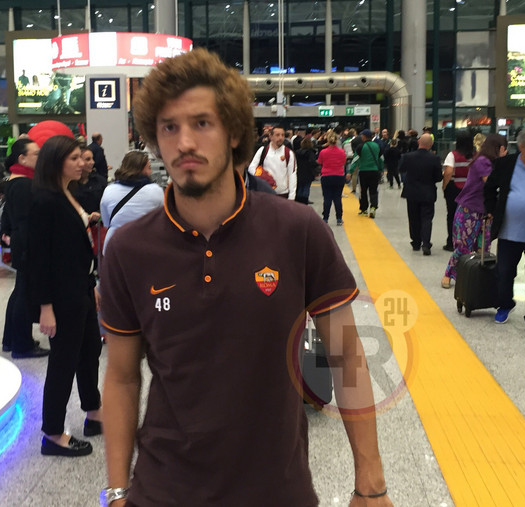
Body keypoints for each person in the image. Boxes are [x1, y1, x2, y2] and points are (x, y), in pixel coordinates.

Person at [98, 48, 391, 507]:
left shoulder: (297, 230)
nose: (184, 142)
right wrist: (117, 492)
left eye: (202, 123)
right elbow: (120, 378)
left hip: (278, 490)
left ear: (234, 132)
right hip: (163, 490)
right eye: (169, 127)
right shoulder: (129, 248)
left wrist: (370, 484)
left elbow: (346, 355)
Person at [27, 135, 103, 457]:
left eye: (81, 157)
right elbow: (37, 259)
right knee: (64, 361)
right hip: (61, 295)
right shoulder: (45, 201)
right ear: (56, 162)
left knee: (90, 351)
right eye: (74, 158)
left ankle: (94, 412)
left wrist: (91, 284)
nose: (82, 163)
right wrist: (46, 306)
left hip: (80, 286)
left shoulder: (67, 193)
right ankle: (53, 433)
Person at [0, 138, 50, 359]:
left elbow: (8, 213)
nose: (40, 157)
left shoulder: (15, 180)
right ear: (22, 158)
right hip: (27, 245)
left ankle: (11, 339)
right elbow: (26, 221)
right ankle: (22, 345)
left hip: (20, 242)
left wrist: (7, 233)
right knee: (24, 295)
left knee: (20, 291)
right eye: (36, 153)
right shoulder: (24, 185)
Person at [441, 133, 508, 289]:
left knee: (483, 248)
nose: (506, 152)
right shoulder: (483, 161)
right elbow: (491, 183)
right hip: (469, 210)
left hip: (486, 211)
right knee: (463, 246)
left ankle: (477, 278)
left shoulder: (492, 163)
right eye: (505, 149)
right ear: (499, 148)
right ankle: (448, 274)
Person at [484, 128, 525, 327]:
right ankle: (505, 305)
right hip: (509, 231)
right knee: (504, 272)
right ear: (522, 147)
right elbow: (489, 188)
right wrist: (490, 210)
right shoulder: (506, 164)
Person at [100, 150, 164, 254]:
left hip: (114, 246)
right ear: (140, 169)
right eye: (149, 168)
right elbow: (162, 221)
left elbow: (106, 223)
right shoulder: (155, 191)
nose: (151, 172)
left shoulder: (109, 190)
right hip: (146, 247)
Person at [400, 134, 443, 256]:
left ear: (419, 142)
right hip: (428, 192)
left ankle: (415, 242)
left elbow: (401, 169)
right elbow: (438, 177)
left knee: (413, 217)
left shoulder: (408, 156)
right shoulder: (435, 158)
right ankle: (426, 243)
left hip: (411, 192)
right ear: (431, 144)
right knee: (427, 218)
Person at [441, 131, 473, 252]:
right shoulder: (475, 155)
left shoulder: (453, 155)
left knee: (452, 215)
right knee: (469, 216)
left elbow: (448, 172)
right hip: (470, 189)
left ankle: (451, 242)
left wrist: (444, 186)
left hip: (454, 189)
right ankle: (468, 241)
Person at [247, 126, 297, 199]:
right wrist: (262, 175)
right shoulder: (263, 150)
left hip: (282, 194)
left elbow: (292, 175)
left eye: (282, 135)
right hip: (265, 193)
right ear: (271, 136)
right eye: (277, 135)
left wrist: (292, 197)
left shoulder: (289, 153)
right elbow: (251, 168)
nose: (280, 137)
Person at [318, 131, 347, 225]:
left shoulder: (323, 152)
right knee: (337, 198)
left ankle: (325, 218)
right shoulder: (341, 152)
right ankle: (339, 218)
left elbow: (319, 162)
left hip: (326, 176)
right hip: (339, 176)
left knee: (327, 198)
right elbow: (343, 162)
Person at [354, 129, 383, 218]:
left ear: (364, 136)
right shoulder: (377, 146)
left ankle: (364, 210)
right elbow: (381, 159)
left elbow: (355, 159)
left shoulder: (360, 146)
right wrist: (381, 169)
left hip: (363, 172)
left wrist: (350, 171)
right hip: (374, 171)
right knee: (373, 190)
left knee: (363, 191)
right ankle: (373, 207)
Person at [73, 146, 107, 215]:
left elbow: (107, 205)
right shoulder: (69, 184)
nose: (92, 162)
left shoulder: (100, 181)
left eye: (92, 159)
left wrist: (98, 213)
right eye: (88, 159)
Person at [294, 137, 320, 205]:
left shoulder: (297, 152)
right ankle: (305, 201)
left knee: (300, 187)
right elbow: (312, 162)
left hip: (299, 172)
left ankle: (298, 201)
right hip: (308, 172)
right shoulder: (310, 152)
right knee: (306, 187)